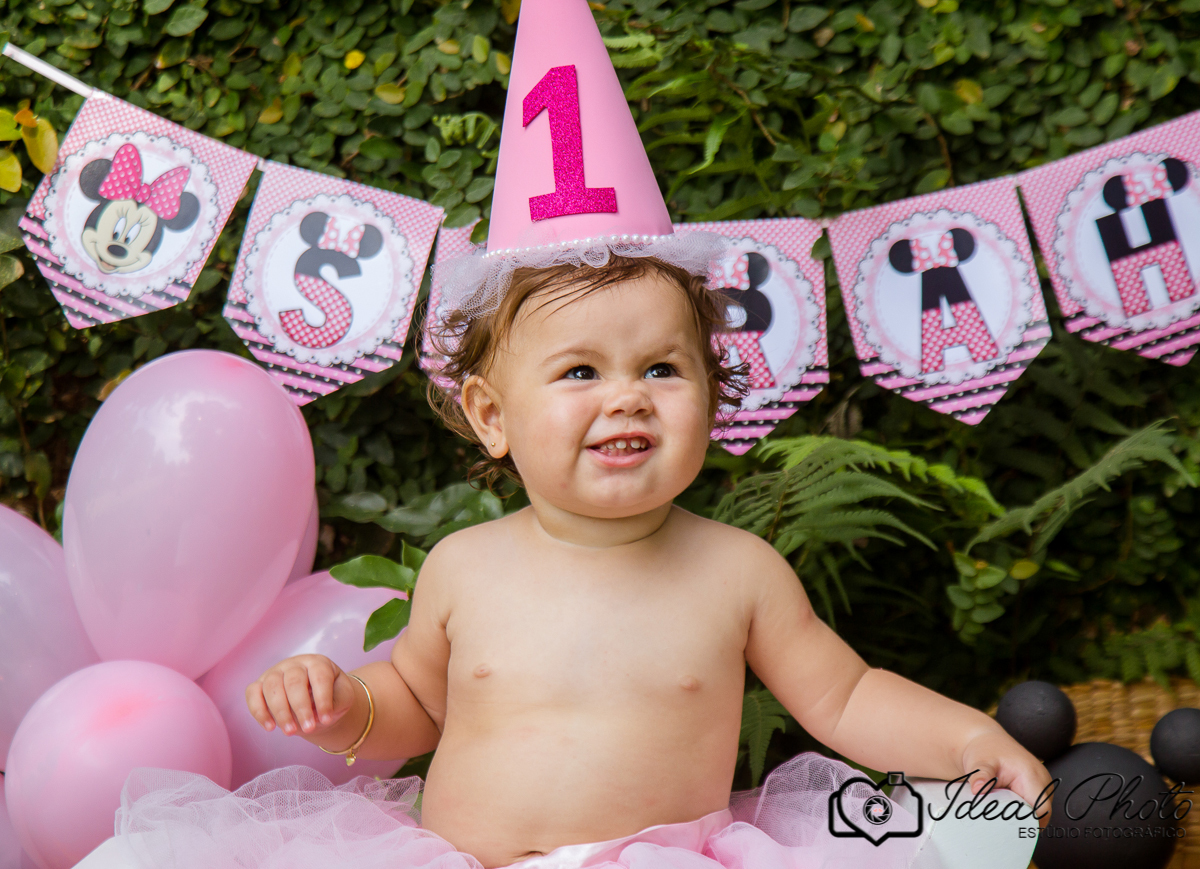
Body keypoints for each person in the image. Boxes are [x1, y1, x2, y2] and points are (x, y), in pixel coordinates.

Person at [110, 2, 1050, 868]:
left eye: (662, 369)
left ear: (712, 397)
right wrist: (344, 707)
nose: (628, 399)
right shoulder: (464, 567)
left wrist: (970, 739)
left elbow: (844, 698)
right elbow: (417, 706)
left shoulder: (738, 571)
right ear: (491, 415)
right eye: (579, 372)